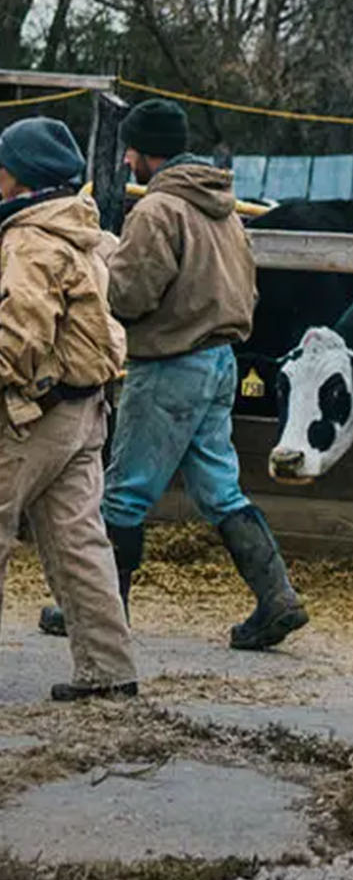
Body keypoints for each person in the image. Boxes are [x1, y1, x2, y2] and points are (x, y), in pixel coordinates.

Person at [38, 98, 307, 650]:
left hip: (169, 366)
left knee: (124, 493)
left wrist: (102, 269)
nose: (126, 159)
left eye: (131, 149)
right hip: (220, 361)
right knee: (220, 489)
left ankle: (99, 613)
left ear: (148, 150)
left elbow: (130, 294)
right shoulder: (222, 207)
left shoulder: (159, 210)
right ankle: (277, 597)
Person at [0, 117, 140, 699]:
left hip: (31, 417)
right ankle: (109, 670)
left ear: (18, 176)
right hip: (85, 412)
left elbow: (18, 339)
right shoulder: (83, 233)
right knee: (79, 542)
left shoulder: (29, 241)